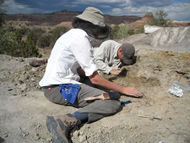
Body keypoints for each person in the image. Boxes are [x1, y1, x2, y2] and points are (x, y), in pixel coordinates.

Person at [39, 7, 142, 143]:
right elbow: (95, 79)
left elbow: (80, 70)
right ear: (93, 26)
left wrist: (98, 80)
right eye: (99, 28)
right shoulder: (81, 39)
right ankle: (64, 121)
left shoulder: (72, 34)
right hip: (58, 89)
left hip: (52, 84)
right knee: (112, 103)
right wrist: (123, 89)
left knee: (104, 90)